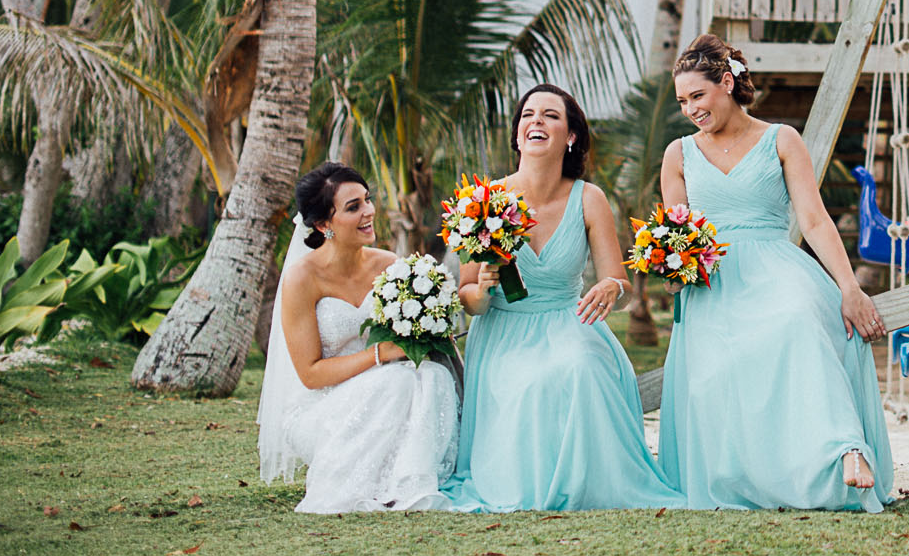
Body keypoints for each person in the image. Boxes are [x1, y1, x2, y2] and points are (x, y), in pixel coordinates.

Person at [655, 34, 894, 511]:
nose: (691, 109)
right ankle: (745, 478)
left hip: (774, 263)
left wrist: (850, 287)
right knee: (714, 362)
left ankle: (845, 447)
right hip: (712, 278)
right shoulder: (678, 154)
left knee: (798, 322)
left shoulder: (781, 138)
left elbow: (813, 219)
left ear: (726, 83)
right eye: (683, 101)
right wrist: (670, 260)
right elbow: (675, 230)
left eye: (698, 96)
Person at [443, 84, 681, 512]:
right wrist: (482, 287)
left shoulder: (590, 199)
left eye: (551, 115)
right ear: (518, 135)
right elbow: (468, 299)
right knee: (531, 382)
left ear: (570, 136)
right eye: (528, 115)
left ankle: (589, 483)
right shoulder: (481, 202)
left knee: (581, 365)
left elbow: (619, 286)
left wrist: (613, 287)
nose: (536, 121)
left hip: (570, 322)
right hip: (503, 330)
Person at [258, 162, 458, 512]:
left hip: (389, 387)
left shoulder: (388, 264)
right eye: (353, 207)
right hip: (321, 406)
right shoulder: (301, 279)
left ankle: (410, 482)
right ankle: (377, 485)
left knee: (434, 375)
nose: (369, 212)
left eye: (367, 200)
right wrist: (378, 355)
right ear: (323, 224)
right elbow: (310, 374)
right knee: (396, 381)